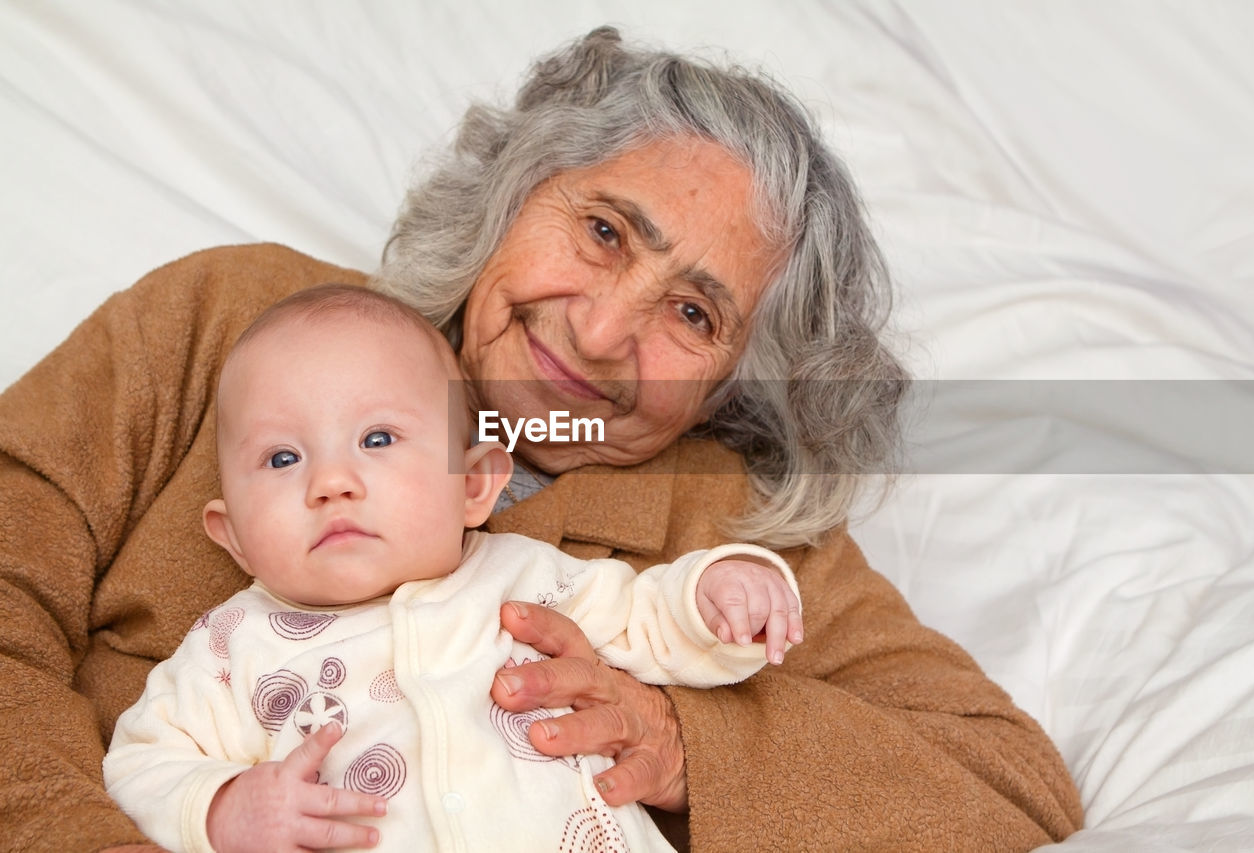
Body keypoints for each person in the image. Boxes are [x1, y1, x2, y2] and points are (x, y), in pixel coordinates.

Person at [0, 26, 1083, 853]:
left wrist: (674, 742)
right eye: (603, 231)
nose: (605, 333)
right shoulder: (227, 324)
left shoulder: (731, 532)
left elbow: (1003, 778)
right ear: (513, 194)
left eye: (693, 315)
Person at [103, 284, 801, 852]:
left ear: (473, 485)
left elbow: (648, 616)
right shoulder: (232, 647)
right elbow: (140, 762)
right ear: (235, 537)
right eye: (283, 458)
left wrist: (717, 589)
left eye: (377, 438)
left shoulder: (527, 580)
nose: (332, 480)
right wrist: (223, 809)